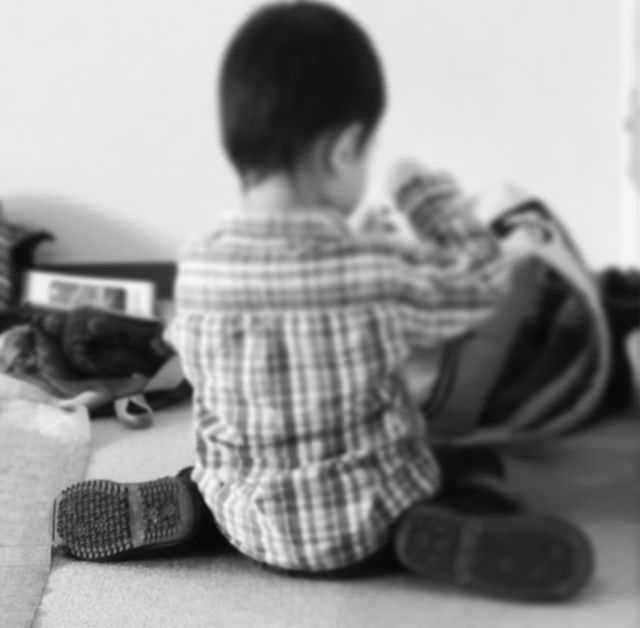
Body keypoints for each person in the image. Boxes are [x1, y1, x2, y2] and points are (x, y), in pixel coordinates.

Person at [52, 1, 594, 602]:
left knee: (221, 465)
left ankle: (195, 504)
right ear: (343, 150)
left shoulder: (199, 267)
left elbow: (202, 360)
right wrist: (420, 190)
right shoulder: (373, 267)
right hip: (362, 525)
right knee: (475, 467)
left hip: (244, 519)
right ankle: (428, 527)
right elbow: (480, 279)